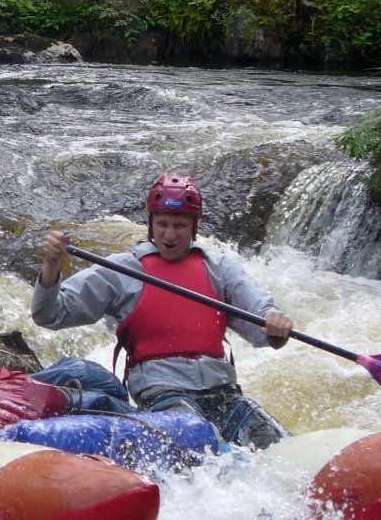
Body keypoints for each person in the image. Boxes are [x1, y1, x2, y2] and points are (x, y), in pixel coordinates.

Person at [31, 173, 292, 449]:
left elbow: (262, 324)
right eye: (162, 224)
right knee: (201, 440)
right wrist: (51, 264)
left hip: (224, 393)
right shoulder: (122, 270)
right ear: (150, 224)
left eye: (179, 225)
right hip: (162, 393)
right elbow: (51, 314)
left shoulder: (220, 267)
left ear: (194, 227)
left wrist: (276, 326)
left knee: (278, 444)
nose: (169, 235)